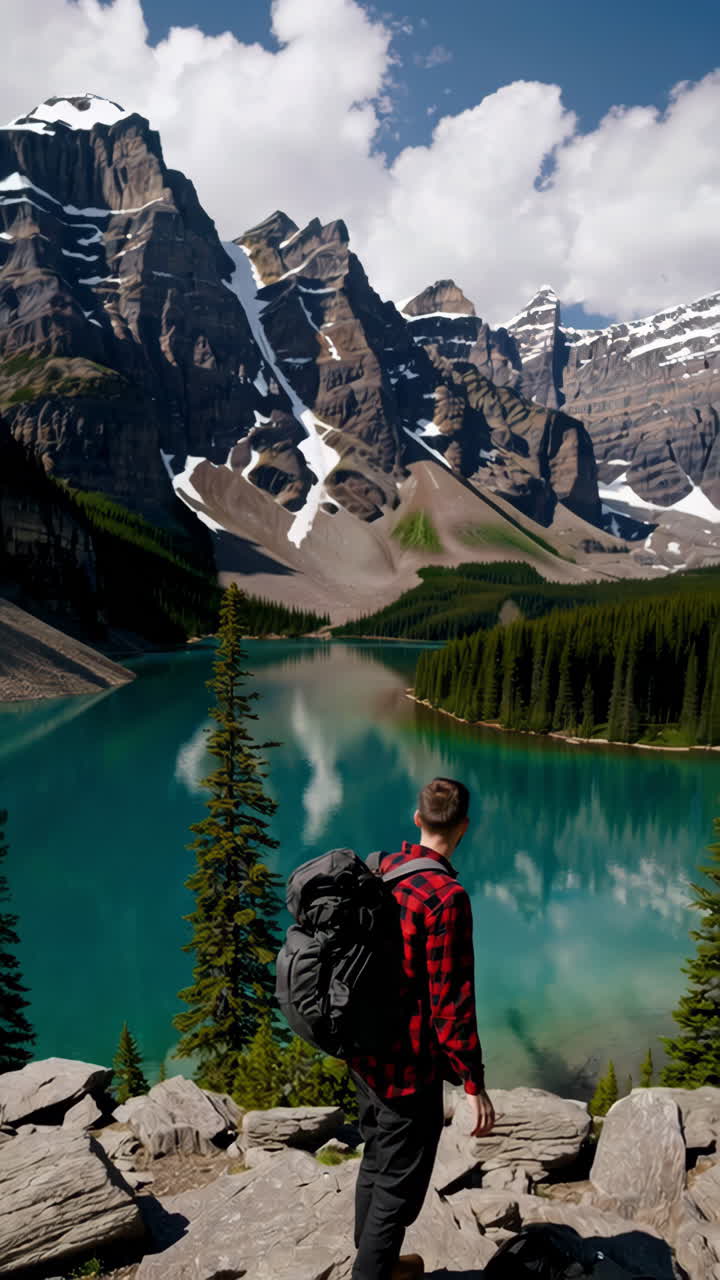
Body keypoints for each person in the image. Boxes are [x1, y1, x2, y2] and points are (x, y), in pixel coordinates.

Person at [350, 776, 495, 1280]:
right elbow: (451, 1005)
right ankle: (371, 1271)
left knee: (377, 1157)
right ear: (464, 828)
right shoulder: (446, 897)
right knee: (397, 1187)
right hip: (407, 1067)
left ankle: (379, 1263)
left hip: (363, 1052)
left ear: (417, 819)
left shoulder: (381, 868)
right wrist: (473, 1084)